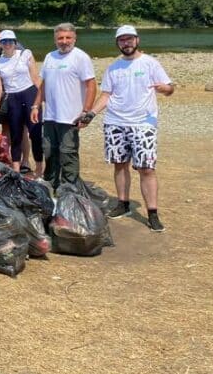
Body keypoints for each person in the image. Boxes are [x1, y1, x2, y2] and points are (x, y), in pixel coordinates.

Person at [84, 25, 174, 232]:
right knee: (120, 164)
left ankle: (152, 213)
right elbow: (106, 95)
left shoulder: (150, 63)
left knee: (147, 168)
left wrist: (165, 89)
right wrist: (90, 114)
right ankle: (123, 204)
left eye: (129, 39)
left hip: (143, 123)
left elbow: (170, 88)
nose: (126, 43)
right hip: (115, 122)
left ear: (137, 40)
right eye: (122, 40)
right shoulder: (113, 68)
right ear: (117, 43)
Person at [30, 23, 96, 190]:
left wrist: (86, 112)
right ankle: (51, 186)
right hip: (51, 116)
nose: (64, 41)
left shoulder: (81, 57)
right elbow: (43, 84)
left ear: (75, 38)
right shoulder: (49, 57)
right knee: (49, 152)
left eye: (68, 38)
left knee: (68, 154)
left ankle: (69, 190)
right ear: (55, 39)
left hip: (70, 117)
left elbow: (91, 85)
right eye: (60, 38)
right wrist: (36, 106)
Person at [0, 30, 43, 175]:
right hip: (12, 98)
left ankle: (39, 168)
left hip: (29, 93)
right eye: (4, 42)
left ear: (15, 42)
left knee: (35, 133)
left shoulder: (25, 54)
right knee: (15, 134)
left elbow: (36, 78)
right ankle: (16, 170)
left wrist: (43, 98)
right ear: (0, 44)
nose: (7, 44)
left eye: (10, 41)